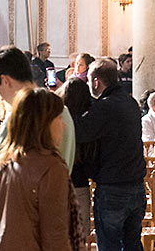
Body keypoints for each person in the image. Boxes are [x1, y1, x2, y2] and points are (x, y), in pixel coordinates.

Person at [0, 46, 75, 246]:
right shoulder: (62, 111)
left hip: (11, 225)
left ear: (6, 80)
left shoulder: (19, 116)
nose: (1, 97)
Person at [0, 87, 83, 251]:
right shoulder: (51, 168)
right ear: (44, 123)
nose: (64, 126)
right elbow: (55, 235)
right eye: (59, 118)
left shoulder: (5, 165)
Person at [73, 58, 147, 251]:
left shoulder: (106, 106)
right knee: (132, 244)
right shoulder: (130, 102)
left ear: (96, 81)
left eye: (89, 80)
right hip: (137, 185)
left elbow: (80, 132)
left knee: (109, 245)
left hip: (113, 188)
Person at [62, 77, 96, 242]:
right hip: (81, 181)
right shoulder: (89, 120)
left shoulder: (59, 119)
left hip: (58, 180)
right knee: (80, 235)